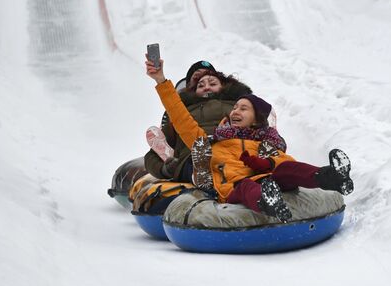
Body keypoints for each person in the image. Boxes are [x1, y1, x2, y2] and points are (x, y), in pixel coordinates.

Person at [145, 57, 353, 222]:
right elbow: (180, 118)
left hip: (263, 171)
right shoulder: (213, 140)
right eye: (235, 108)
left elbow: (280, 159)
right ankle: (265, 201)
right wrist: (161, 80)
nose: (236, 110)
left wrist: (271, 158)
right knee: (243, 183)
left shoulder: (261, 139)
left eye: (242, 108)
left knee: (287, 167)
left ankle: (331, 176)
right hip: (231, 180)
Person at [144, 61, 254, 183]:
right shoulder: (183, 112)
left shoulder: (237, 106)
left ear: (223, 85)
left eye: (212, 83)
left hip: (236, 152)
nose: (206, 87)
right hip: (196, 157)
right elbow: (151, 157)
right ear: (192, 89)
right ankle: (202, 175)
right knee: (198, 145)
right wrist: (166, 169)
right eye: (200, 84)